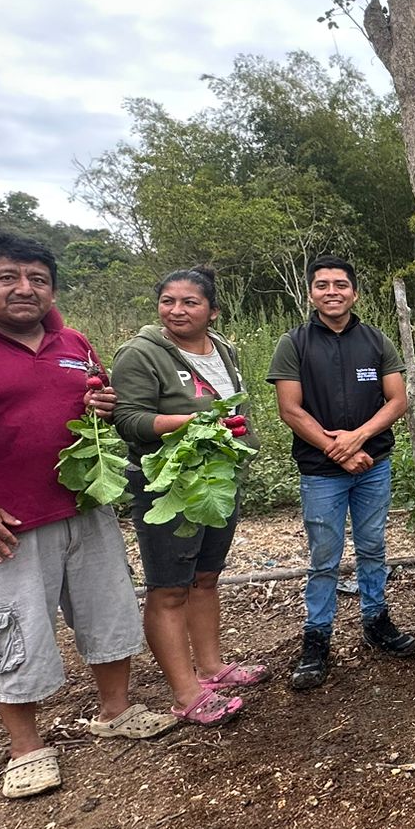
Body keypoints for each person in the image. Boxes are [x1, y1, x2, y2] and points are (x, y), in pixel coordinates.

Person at [0, 235, 174, 800]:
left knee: (109, 613)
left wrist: (101, 404)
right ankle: (26, 748)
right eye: (8, 277)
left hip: (85, 508)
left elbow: (94, 401)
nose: (25, 288)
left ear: (52, 288)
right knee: (10, 630)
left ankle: (116, 711)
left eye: (38, 279)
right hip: (1, 525)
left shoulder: (72, 341)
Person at [111, 266, 263, 726]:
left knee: (206, 577)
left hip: (216, 479)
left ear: (212, 311)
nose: (177, 310)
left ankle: (211, 668)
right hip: (168, 484)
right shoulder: (140, 354)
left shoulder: (222, 348)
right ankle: (185, 693)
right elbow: (129, 421)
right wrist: (194, 424)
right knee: (170, 586)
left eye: (190, 302)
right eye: (168, 301)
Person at [268, 255, 415, 690]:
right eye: (322, 285)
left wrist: (358, 437)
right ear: (310, 293)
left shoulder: (375, 341)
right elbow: (290, 409)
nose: (332, 292)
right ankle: (316, 638)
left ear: (354, 293)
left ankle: (376, 621)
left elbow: (397, 400)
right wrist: (337, 449)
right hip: (321, 471)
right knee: (324, 557)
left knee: (373, 546)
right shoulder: (294, 343)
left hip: (373, 466)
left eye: (340, 284)